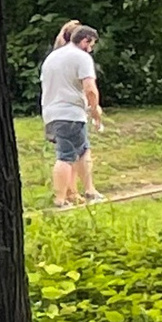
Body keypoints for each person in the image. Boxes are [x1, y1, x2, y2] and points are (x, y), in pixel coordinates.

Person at [39, 21, 105, 206]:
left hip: (51, 113)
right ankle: (61, 199)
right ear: (85, 40)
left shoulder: (52, 57)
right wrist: (95, 110)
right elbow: (90, 88)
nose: (90, 49)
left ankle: (86, 191)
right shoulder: (81, 57)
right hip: (70, 113)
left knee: (82, 151)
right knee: (67, 156)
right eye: (91, 44)